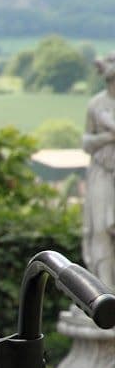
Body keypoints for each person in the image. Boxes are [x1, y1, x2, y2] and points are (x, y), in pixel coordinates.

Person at [81, 52, 115, 290]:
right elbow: (86, 141)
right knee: (101, 229)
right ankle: (105, 289)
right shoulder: (96, 104)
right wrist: (105, 137)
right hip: (102, 171)